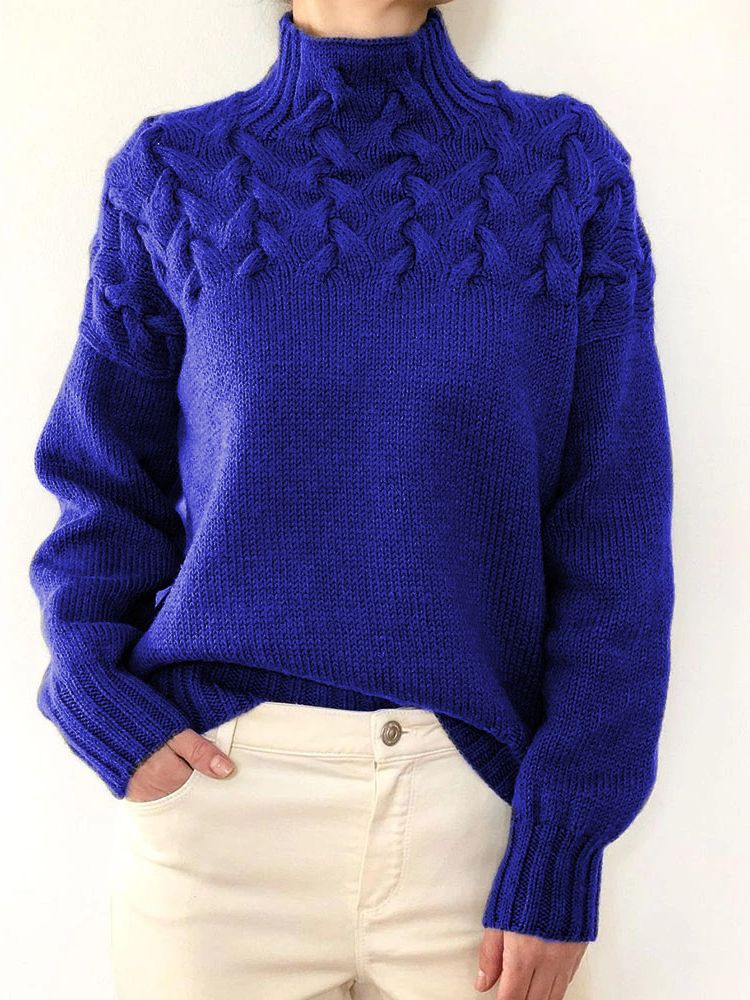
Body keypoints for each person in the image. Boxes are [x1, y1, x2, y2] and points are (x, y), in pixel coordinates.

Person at [28, 2, 674, 998]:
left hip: (473, 814)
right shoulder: (171, 172)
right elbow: (102, 481)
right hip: (216, 813)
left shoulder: (563, 169)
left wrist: (565, 839)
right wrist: (92, 693)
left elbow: (615, 529)